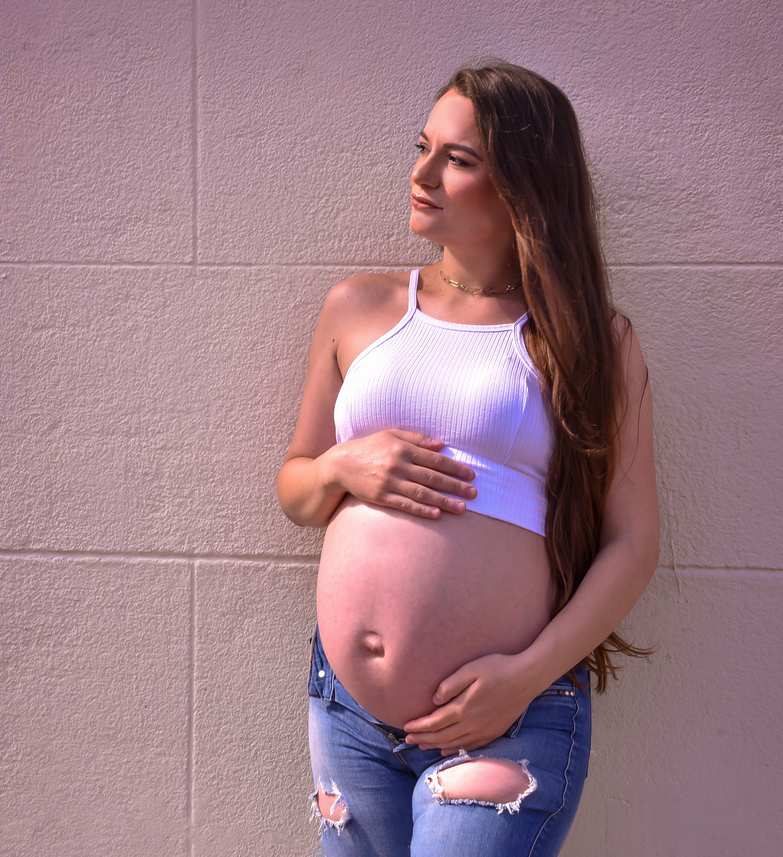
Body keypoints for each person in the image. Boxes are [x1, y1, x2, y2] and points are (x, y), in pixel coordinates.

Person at [276, 61, 659, 857]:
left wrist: (525, 674)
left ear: (524, 185)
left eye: (457, 158)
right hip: (347, 714)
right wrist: (344, 467)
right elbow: (297, 487)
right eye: (422, 147)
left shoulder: (589, 340)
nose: (422, 174)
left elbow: (632, 541)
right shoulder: (359, 307)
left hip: (509, 716)